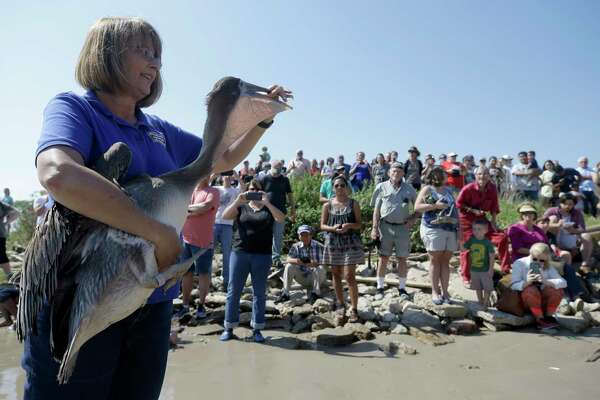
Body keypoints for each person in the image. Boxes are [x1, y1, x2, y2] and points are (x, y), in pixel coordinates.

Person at [27, 16, 289, 399]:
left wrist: (261, 121)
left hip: (148, 302)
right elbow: (57, 173)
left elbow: (221, 159)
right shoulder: (77, 110)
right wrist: (160, 233)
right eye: (144, 52)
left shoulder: (159, 130)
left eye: (158, 55)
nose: (156, 63)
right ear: (107, 53)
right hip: (79, 297)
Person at [220, 180, 285, 342]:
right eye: (251, 189)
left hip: (262, 255)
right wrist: (238, 200)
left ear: (262, 192)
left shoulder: (269, 208)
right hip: (239, 253)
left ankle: (257, 329)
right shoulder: (241, 207)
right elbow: (224, 216)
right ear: (246, 191)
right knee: (233, 291)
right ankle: (229, 327)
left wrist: (267, 203)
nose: (253, 191)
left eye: (257, 189)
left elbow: (281, 219)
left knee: (259, 293)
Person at [370, 162, 418, 300]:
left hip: (403, 227)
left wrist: (413, 220)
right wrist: (374, 228)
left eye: (399, 171)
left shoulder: (409, 189)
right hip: (385, 226)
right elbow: (376, 210)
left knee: (402, 258)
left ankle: (402, 289)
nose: (396, 173)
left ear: (403, 173)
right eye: (393, 171)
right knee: (383, 257)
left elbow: (417, 208)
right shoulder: (381, 186)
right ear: (389, 172)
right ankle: (380, 287)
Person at [320, 175, 364, 323]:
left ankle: (354, 308)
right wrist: (332, 228)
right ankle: (340, 303)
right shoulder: (327, 205)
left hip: (351, 242)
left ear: (347, 187)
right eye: (336, 185)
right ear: (333, 188)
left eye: (342, 185)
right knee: (336, 274)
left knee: (349, 275)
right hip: (333, 241)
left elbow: (359, 224)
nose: (339, 188)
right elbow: (322, 226)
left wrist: (349, 225)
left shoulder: (354, 204)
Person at [456, 167, 511, 282]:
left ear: (489, 176)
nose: (483, 176)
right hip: (466, 220)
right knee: (467, 248)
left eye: (486, 173)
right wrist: (472, 210)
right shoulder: (468, 188)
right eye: (480, 174)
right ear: (475, 176)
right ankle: (466, 276)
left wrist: (494, 222)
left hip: (482, 219)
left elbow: (494, 207)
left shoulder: (492, 188)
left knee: (502, 238)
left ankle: (506, 268)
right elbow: (458, 204)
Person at [415, 167, 459, 305]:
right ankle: (435, 292)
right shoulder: (427, 189)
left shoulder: (449, 191)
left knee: (446, 261)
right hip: (432, 228)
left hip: (450, 228)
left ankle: (445, 292)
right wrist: (435, 206)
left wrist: (459, 229)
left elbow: (455, 210)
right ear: (436, 176)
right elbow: (417, 207)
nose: (447, 176)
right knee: (435, 260)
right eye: (445, 174)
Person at [178, 177, 220, 320]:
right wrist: (193, 210)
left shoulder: (213, 191)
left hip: (204, 242)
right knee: (187, 273)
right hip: (186, 239)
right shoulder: (190, 191)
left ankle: (201, 305)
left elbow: (205, 207)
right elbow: (184, 208)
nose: (205, 176)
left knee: (203, 274)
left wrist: (187, 210)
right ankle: (185, 306)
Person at [510, 243, 566, 330]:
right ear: (530, 254)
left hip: (542, 300)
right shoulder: (520, 263)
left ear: (546, 259)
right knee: (530, 290)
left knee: (557, 290)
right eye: (535, 259)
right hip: (524, 302)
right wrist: (527, 282)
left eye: (542, 260)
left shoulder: (548, 266)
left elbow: (563, 282)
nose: (538, 262)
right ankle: (539, 319)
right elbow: (513, 285)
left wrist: (546, 281)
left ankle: (549, 317)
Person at [544, 193, 594, 272]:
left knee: (586, 236)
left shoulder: (576, 213)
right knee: (553, 218)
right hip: (555, 238)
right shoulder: (552, 211)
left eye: (570, 204)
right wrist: (557, 225)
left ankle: (585, 263)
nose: (567, 206)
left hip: (570, 238)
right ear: (560, 203)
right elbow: (541, 224)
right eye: (565, 204)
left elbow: (582, 229)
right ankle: (556, 248)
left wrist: (573, 230)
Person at [276, 225, 326, 304]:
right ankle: (285, 293)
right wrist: (298, 261)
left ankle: (316, 293)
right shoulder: (295, 246)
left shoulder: (319, 246)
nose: (304, 237)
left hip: (317, 277)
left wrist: (315, 263)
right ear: (299, 236)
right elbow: (288, 259)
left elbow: (327, 262)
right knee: (289, 266)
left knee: (318, 268)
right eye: (302, 235)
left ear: (311, 235)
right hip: (302, 277)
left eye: (306, 235)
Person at [259, 160, 294, 268]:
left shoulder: (285, 179)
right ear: (271, 167)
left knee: (278, 236)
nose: (277, 171)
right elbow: (258, 193)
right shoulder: (264, 178)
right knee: (265, 235)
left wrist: (293, 209)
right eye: (276, 169)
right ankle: (264, 257)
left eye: (279, 169)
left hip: (280, 212)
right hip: (266, 211)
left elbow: (290, 194)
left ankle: (276, 258)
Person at [212, 172, 240, 291]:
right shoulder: (216, 188)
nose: (227, 177)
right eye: (225, 175)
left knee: (227, 254)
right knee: (209, 252)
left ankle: (226, 280)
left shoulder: (234, 191)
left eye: (229, 175)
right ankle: (206, 278)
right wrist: (215, 173)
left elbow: (243, 188)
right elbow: (204, 184)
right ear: (221, 177)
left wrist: (237, 176)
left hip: (227, 225)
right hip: (214, 224)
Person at [462, 220, 495, 308]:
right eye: (474, 229)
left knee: (487, 287)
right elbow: (463, 249)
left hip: (485, 270)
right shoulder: (471, 240)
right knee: (477, 287)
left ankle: (485, 302)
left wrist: (491, 269)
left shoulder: (487, 243)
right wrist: (460, 239)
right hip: (474, 269)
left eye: (479, 229)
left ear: (485, 230)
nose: (476, 231)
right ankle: (480, 302)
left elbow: (492, 256)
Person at [0, 201, 19, 279]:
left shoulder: (1, 204)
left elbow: (16, 212)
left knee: (1, 255)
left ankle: (10, 276)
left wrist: (7, 222)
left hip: (0, 234)